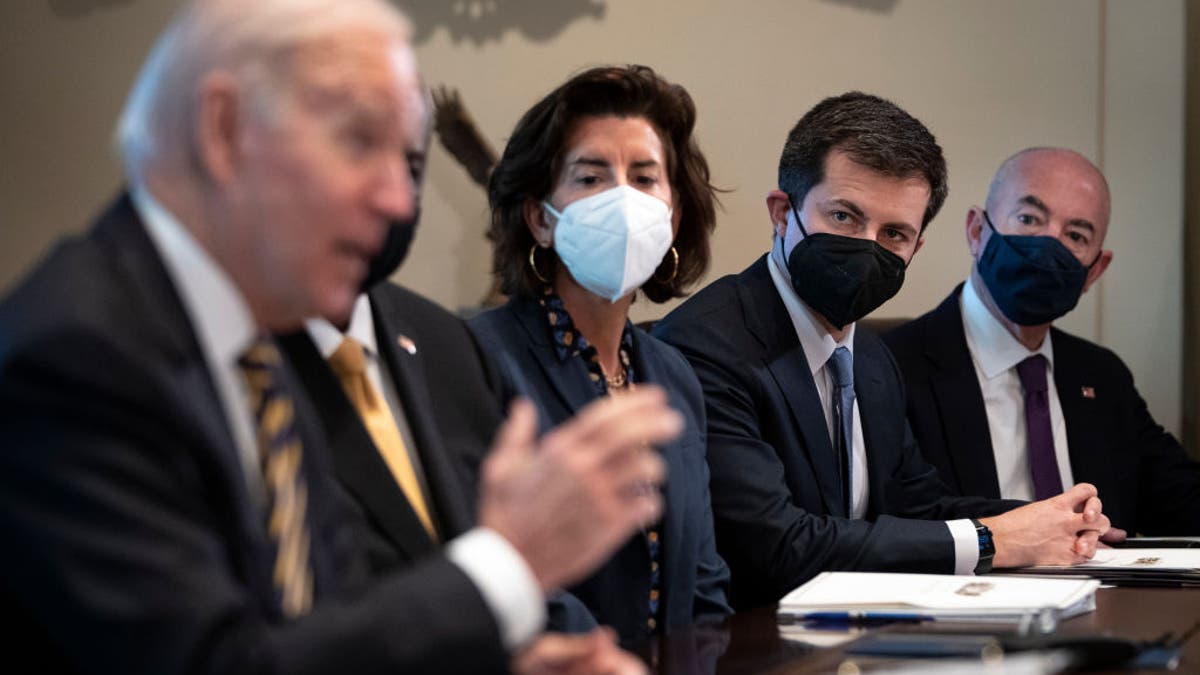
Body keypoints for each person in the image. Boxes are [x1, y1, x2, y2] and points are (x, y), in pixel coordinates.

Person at [0, 2, 678, 672]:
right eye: (358, 141)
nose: (395, 201)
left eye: (406, 160)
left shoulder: (255, 337)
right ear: (223, 128)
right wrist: (510, 561)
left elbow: (326, 633)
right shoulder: (75, 357)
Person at [653, 92, 1112, 610]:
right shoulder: (706, 346)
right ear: (783, 213)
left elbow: (916, 504)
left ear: (916, 248)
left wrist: (1052, 521)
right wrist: (993, 540)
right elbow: (775, 545)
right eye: (845, 217)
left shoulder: (871, 357)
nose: (868, 246)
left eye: (894, 233)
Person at [469, 65, 732, 643]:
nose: (622, 199)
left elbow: (704, 578)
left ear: (674, 213)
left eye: (644, 177)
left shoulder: (674, 375)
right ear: (540, 218)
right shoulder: (479, 360)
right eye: (590, 178)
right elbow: (489, 560)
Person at [884, 147, 1200, 535]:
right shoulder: (889, 367)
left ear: (1094, 271)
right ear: (977, 232)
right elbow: (893, 520)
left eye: (1076, 235)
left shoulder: (1103, 375)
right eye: (1029, 218)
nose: (1049, 247)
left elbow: (1182, 497)